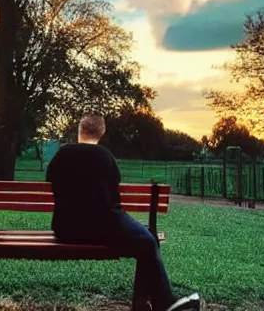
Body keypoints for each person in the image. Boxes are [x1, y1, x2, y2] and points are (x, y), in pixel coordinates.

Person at [46, 114, 200, 311]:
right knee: (148, 239)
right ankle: (163, 303)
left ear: (79, 131)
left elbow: (52, 182)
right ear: (101, 133)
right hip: (102, 228)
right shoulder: (105, 156)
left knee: (143, 236)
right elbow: (113, 201)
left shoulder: (62, 154)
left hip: (65, 229)